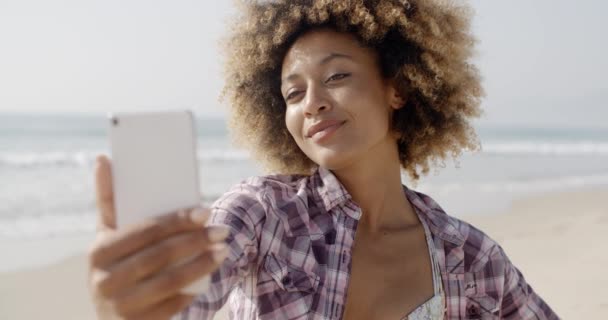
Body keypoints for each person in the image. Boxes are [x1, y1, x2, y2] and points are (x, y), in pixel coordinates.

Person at [88, 0, 559, 319]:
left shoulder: (467, 256)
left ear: (397, 87)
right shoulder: (262, 214)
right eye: (293, 92)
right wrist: (132, 301)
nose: (311, 102)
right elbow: (187, 302)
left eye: (336, 76)